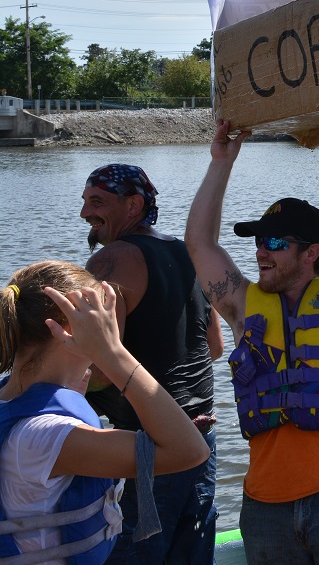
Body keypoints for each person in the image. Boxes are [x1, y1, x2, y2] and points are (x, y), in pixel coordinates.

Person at [185, 121, 319, 564]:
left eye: (275, 242)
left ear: (310, 253)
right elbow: (199, 242)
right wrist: (221, 162)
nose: (261, 251)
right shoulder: (242, 308)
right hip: (264, 508)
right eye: (259, 241)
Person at [1, 261, 210, 564]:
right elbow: (190, 451)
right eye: (100, 315)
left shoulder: (13, 403)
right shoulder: (45, 437)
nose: (111, 323)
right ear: (68, 328)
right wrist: (111, 352)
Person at [79, 163, 222, 564]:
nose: (85, 213)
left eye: (97, 201)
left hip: (150, 447)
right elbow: (214, 347)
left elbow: (104, 369)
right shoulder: (186, 252)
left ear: (134, 205)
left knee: (132, 553)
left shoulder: (112, 261)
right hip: (201, 439)